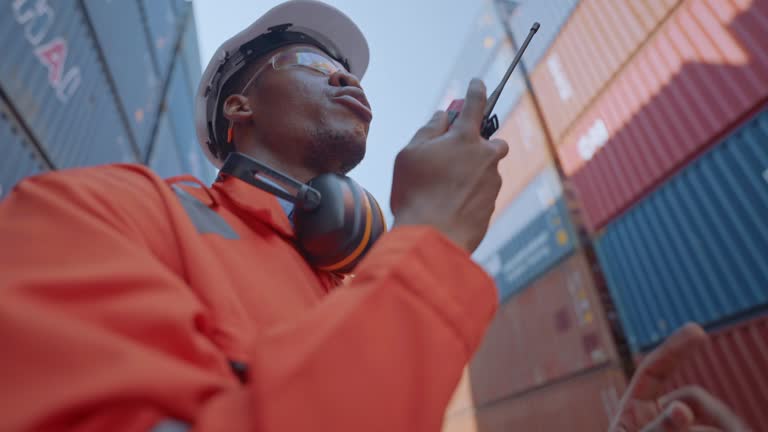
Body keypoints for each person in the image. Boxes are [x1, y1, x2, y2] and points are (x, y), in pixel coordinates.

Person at [0, 1, 748, 431]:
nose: (347, 81)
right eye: (317, 66)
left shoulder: (366, 292)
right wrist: (430, 241)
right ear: (239, 107)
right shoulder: (105, 214)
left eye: (354, 74)